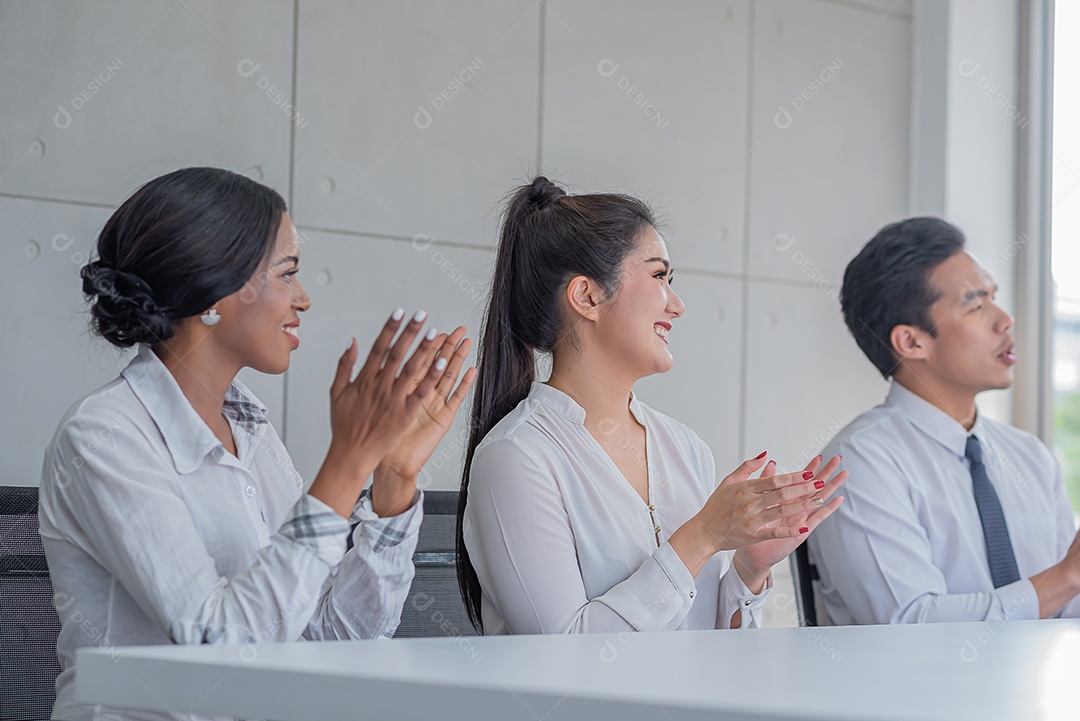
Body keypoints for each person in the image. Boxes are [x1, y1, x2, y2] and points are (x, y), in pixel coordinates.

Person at [38, 167, 475, 721]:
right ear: (215, 287)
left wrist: (389, 477)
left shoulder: (252, 430)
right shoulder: (102, 438)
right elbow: (222, 650)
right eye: (287, 273)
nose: (304, 299)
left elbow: (332, 637)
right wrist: (345, 464)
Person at [455, 176, 846, 635]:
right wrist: (702, 535)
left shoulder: (686, 448)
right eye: (659, 276)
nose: (677, 306)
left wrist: (748, 570)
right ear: (587, 296)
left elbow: (714, 652)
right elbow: (562, 656)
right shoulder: (516, 457)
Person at [808, 217, 1080, 625]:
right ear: (912, 341)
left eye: (994, 296)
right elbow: (909, 623)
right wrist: (1066, 577)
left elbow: (1068, 611)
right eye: (976, 306)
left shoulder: (1031, 457)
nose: (1004, 320)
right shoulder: (859, 463)